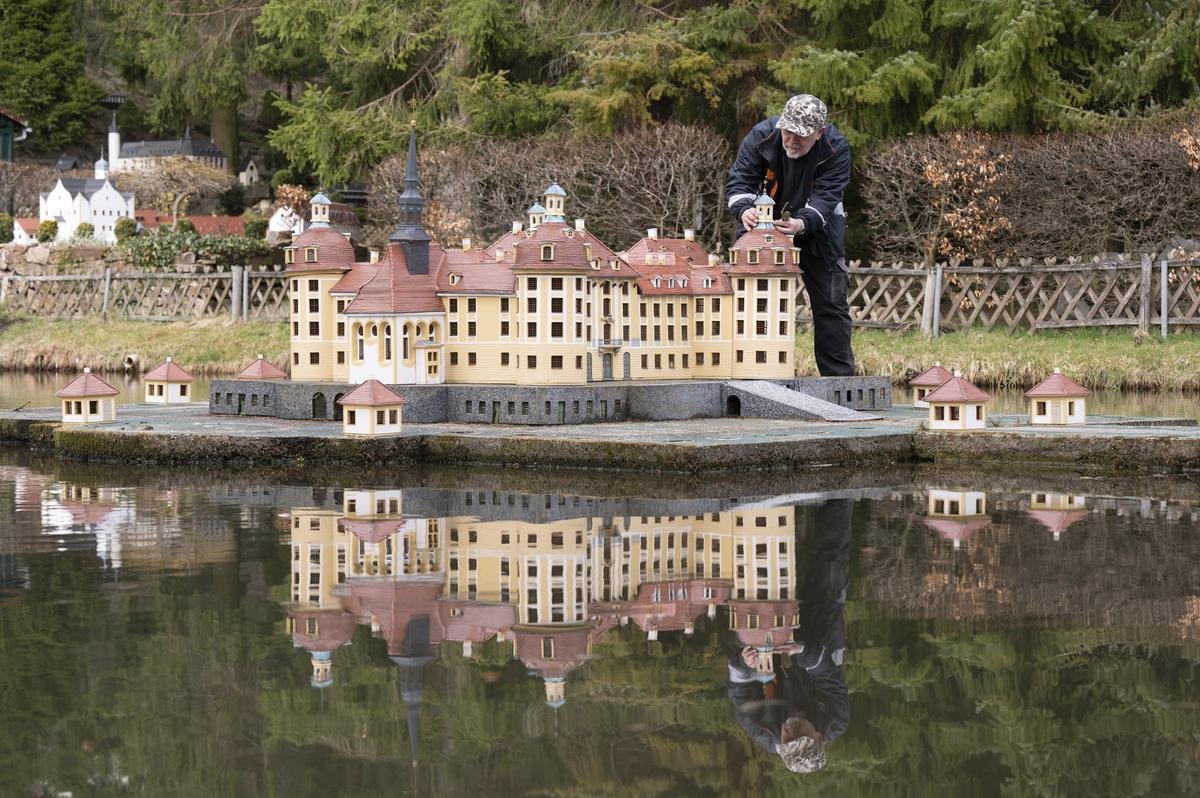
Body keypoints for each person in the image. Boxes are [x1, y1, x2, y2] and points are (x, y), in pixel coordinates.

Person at [726, 94, 855, 377]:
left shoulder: (837, 149)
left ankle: (839, 382)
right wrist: (743, 210)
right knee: (748, 301)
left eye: (801, 135)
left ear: (819, 133)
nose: (791, 140)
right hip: (758, 228)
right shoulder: (760, 136)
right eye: (787, 131)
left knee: (832, 305)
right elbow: (740, 180)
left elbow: (827, 197)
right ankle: (746, 373)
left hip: (818, 229)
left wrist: (801, 223)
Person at [727, 498, 852, 773]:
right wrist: (802, 651)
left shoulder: (762, 731)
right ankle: (838, 494)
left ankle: (756, 510)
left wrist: (743, 664)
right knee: (830, 559)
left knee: (760, 576)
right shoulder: (837, 720)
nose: (791, 731)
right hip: (820, 631)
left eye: (787, 739)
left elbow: (738, 691)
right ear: (819, 737)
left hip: (765, 638)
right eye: (800, 736)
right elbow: (828, 674)